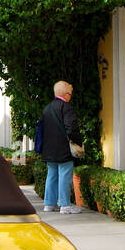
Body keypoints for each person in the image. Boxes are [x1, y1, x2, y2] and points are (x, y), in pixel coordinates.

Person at [39, 80, 83, 214]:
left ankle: (49, 204)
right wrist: (78, 142)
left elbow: (41, 130)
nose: (70, 97)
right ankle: (65, 205)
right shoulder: (66, 107)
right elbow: (72, 128)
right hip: (63, 148)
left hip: (48, 149)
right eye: (70, 94)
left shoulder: (47, 108)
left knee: (51, 175)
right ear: (65, 94)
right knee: (65, 175)